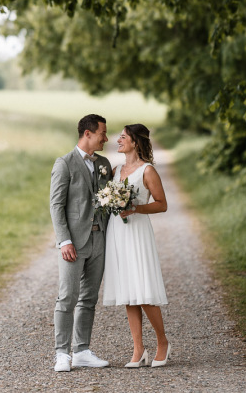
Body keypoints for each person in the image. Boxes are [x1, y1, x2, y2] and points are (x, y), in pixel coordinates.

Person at [102, 123, 170, 368]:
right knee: (128, 291)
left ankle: (163, 342)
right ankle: (138, 349)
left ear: (135, 142)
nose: (118, 140)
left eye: (123, 137)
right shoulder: (116, 169)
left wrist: (135, 208)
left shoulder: (147, 171)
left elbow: (162, 204)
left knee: (143, 289)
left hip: (138, 231)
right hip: (118, 231)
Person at [49, 114, 113, 373]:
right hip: (74, 242)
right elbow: (56, 205)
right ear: (88, 133)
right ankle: (62, 353)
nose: (106, 138)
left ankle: (83, 350)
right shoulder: (64, 163)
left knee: (89, 298)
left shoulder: (105, 163)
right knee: (67, 297)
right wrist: (64, 240)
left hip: (100, 239)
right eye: (102, 133)